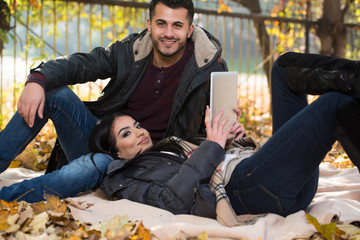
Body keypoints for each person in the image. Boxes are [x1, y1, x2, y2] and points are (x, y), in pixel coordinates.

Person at [1, 49, 360, 219]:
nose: (140, 131)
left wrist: (229, 139)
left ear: (188, 29)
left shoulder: (169, 140)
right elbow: (175, 197)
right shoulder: (128, 172)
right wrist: (214, 148)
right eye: (128, 132)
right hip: (253, 190)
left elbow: (206, 155)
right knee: (330, 105)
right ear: (118, 153)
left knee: (284, 68)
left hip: (274, 176)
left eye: (137, 125)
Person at [0, 0, 228, 173]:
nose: (169, 33)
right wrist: (38, 78)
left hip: (154, 163)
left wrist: (230, 133)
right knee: (53, 94)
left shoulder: (208, 69)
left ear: (189, 30)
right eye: (161, 24)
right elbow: (82, 64)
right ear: (149, 25)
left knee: (97, 166)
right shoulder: (129, 52)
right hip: (107, 145)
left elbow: (216, 128)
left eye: (177, 25)